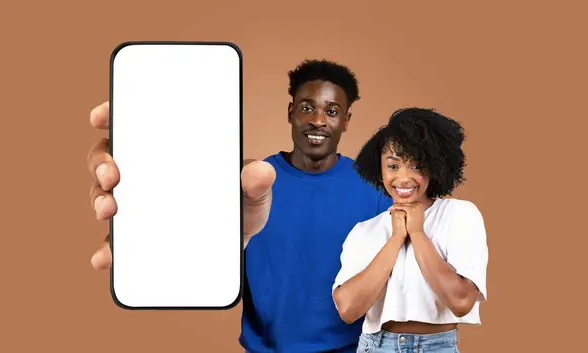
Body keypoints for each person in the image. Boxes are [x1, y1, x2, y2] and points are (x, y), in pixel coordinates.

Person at [86, 59, 393, 353]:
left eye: (332, 111)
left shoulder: (376, 191)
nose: (317, 120)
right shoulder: (247, 187)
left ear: (346, 121)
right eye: (307, 108)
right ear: (290, 112)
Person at [331, 108, 489, 353]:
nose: (403, 178)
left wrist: (417, 234)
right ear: (380, 170)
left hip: (437, 347)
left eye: (416, 165)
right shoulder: (364, 231)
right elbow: (349, 310)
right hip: (375, 347)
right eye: (393, 166)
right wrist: (396, 239)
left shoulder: (459, 215)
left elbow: (461, 301)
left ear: (436, 167)